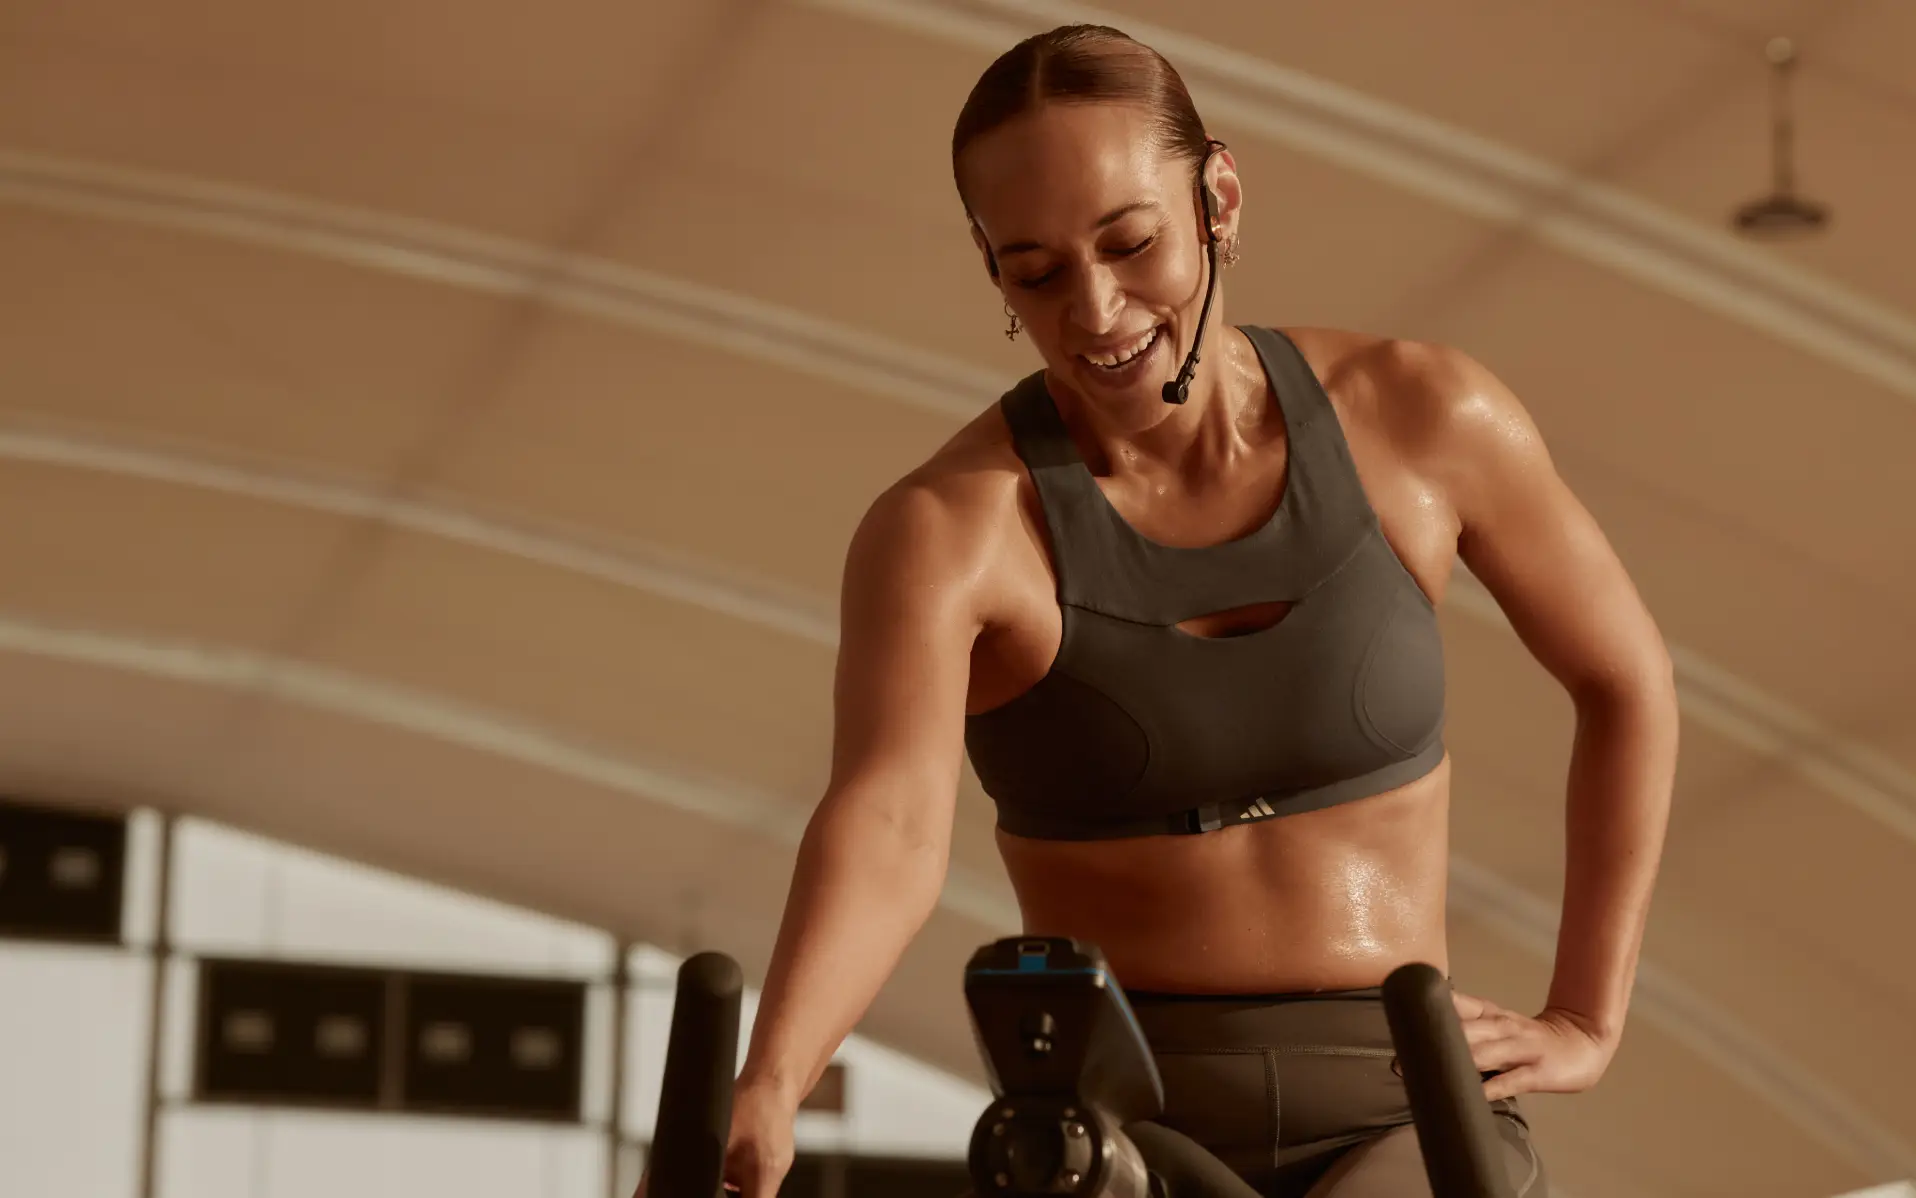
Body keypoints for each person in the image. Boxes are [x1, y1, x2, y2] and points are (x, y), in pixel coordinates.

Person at [648, 22, 1679, 1198]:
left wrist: (1585, 1016)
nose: (1093, 311)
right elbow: (887, 824)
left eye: (1129, 243)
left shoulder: (1424, 419)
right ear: (989, 266)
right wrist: (775, 1076)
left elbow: (1626, 681)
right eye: (1034, 272)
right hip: (1121, 1136)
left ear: (1218, 198)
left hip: (1407, 1104)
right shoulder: (950, 530)